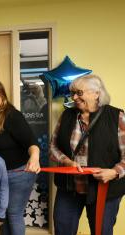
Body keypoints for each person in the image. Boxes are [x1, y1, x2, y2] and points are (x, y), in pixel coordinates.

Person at [50, 74, 125, 235]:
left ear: (96, 93)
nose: (75, 97)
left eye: (79, 93)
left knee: (102, 231)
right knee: (62, 230)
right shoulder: (67, 115)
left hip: (104, 189)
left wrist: (114, 172)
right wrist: (66, 161)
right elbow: (53, 147)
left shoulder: (116, 116)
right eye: (73, 93)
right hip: (69, 187)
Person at [0, 79, 40, 235]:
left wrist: (35, 157)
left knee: (13, 213)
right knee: (2, 214)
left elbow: (31, 141)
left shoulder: (12, 115)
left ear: (3, 96)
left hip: (18, 173)